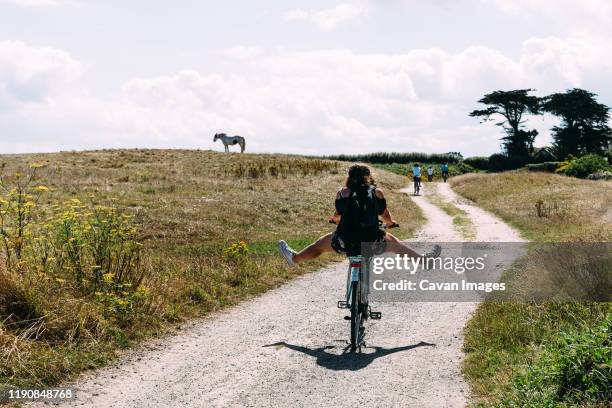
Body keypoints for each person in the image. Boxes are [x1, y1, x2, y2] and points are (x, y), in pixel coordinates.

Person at [278, 164, 440, 266]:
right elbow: (385, 216)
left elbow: (337, 215)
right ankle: (423, 261)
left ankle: (295, 259)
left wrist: (334, 220)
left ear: (349, 178)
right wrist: (390, 223)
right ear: (368, 177)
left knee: (318, 246)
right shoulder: (377, 193)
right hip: (373, 241)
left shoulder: (342, 193)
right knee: (397, 245)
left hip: (344, 241)